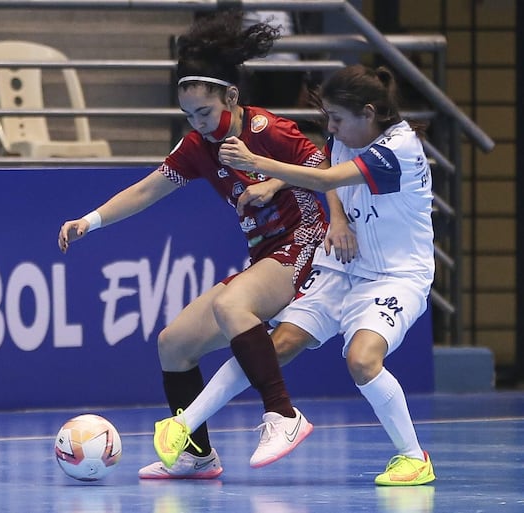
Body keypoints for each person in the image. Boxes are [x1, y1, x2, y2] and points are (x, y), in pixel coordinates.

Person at [57, 9, 353, 480]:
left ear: (230, 97)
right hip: (265, 256)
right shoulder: (197, 146)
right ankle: (197, 455)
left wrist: (313, 205)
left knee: (233, 305)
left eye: (205, 112)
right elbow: (146, 189)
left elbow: (326, 166)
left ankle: (283, 415)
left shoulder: (268, 131)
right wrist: (89, 221)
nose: (198, 122)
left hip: (305, 243)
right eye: (189, 114)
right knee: (173, 345)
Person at [155, 64, 436, 486]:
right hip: (344, 266)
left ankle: (414, 458)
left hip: (396, 276)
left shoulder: (399, 148)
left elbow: (327, 177)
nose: (332, 129)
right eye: (328, 120)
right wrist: (335, 219)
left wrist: (257, 165)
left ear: (370, 112)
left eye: (337, 119)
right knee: (276, 345)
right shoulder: (345, 138)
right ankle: (183, 426)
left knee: (361, 360)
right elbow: (333, 172)